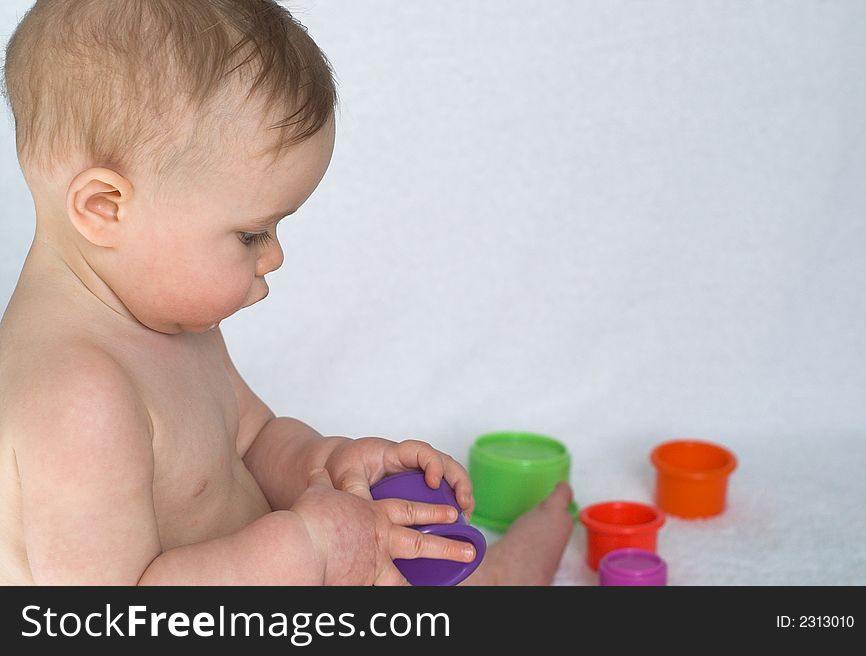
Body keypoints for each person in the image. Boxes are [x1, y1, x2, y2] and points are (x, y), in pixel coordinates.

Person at [0, 0, 572, 585]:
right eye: (251, 234)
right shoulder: (75, 399)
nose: (274, 256)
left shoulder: (167, 320)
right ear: (105, 208)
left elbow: (252, 440)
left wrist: (328, 466)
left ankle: (501, 573)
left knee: (422, 568)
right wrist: (307, 546)